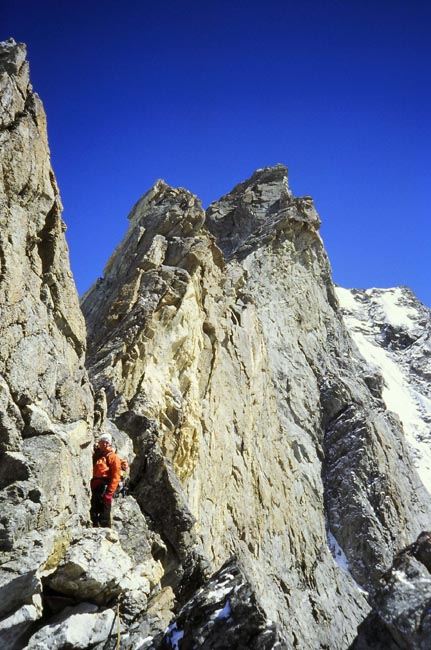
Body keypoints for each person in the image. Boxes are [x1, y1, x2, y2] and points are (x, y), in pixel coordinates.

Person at [90, 432, 121, 527]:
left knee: (104, 512)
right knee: (94, 510)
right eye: (102, 442)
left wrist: (110, 492)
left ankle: (106, 531)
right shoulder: (98, 454)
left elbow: (116, 476)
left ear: (109, 444)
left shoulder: (113, 457)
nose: (104, 444)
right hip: (96, 486)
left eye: (106, 442)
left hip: (105, 487)